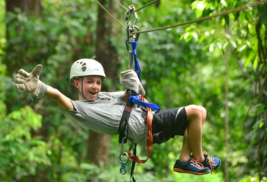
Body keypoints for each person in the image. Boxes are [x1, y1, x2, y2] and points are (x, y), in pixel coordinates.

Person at [14, 58, 221, 175]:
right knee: (198, 111)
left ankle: (185, 160)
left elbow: (129, 95)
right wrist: (40, 87)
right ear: (77, 83)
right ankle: (199, 159)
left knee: (192, 126)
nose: (95, 86)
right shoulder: (80, 109)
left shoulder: (102, 96)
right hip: (146, 126)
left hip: (148, 122)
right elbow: (59, 96)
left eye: (98, 82)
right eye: (89, 82)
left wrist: (134, 83)